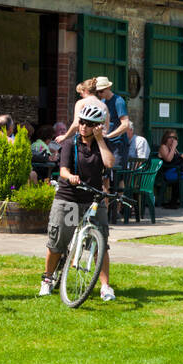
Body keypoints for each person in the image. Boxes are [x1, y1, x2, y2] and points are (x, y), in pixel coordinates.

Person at [41, 103, 117, 301]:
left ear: (98, 126)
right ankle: (47, 279)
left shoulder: (103, 144)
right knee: (58, 241)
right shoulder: (70, 143)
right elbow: (63, 170)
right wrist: (71, 176)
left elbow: (109, 163)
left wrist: (100, 139)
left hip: (93, 199)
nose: (83, 126)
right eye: (82, 122)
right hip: (70, 199)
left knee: (100, 245)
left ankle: (105, 286)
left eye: (89, 123)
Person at [95, 76, 132, 173]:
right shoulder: (102, 102)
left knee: (118, 175)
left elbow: (125, 124)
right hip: (106, 143)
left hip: (118, 144)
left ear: (108, 88)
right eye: (97, 91)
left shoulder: (119, 101)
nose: (99, 94)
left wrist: (109, 135)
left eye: (101, 91)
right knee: (105, 174)